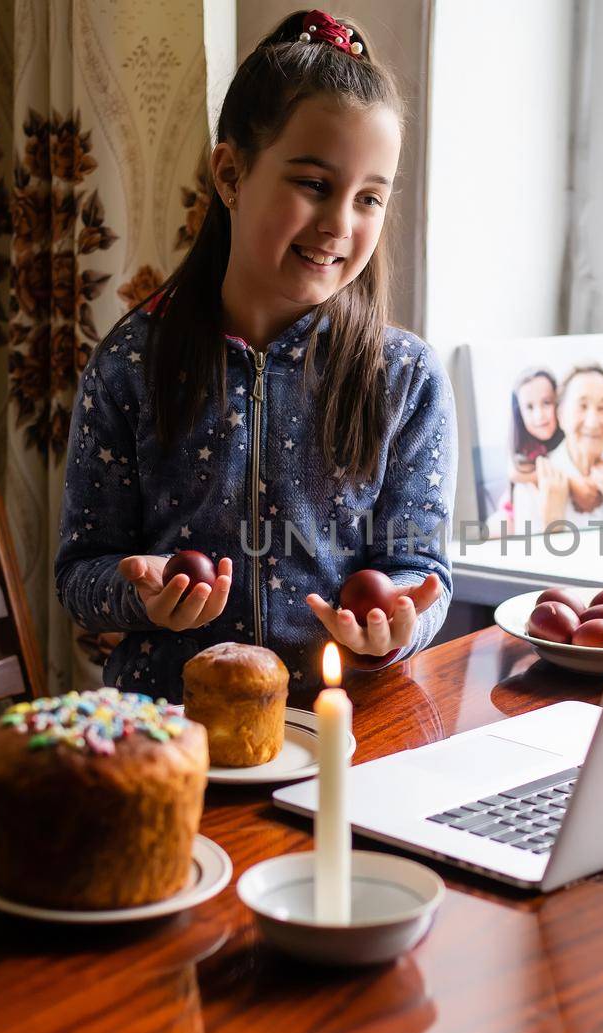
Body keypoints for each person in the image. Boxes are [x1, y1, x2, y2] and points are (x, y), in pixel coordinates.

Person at [55, 10, 455, 699]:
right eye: (314, 185)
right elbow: (78, 574)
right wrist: (141, 597)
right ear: (230, 174)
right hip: (179, 738)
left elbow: (424, 572)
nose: (339, 224)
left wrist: (398, 625)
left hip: (342, 734)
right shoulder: (130, 365)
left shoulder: (407, 379)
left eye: (369, 198)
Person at [530, 364, 603, 530]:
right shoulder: (533, 488)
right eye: (582, 406)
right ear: (561, 415)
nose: (592, 422)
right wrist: (552, 524)